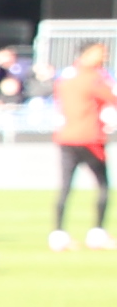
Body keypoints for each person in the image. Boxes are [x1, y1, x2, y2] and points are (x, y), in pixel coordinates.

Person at [51, 42, 111, 249]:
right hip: (89, 138)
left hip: (66, 137)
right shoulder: (94, 78)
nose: (105, 55)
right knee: (103, 185)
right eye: (101, 52)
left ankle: (58, 234)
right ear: (88, 54)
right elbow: (111, 98)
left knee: (65, 187)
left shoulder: (66, 77)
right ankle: (97, 233)